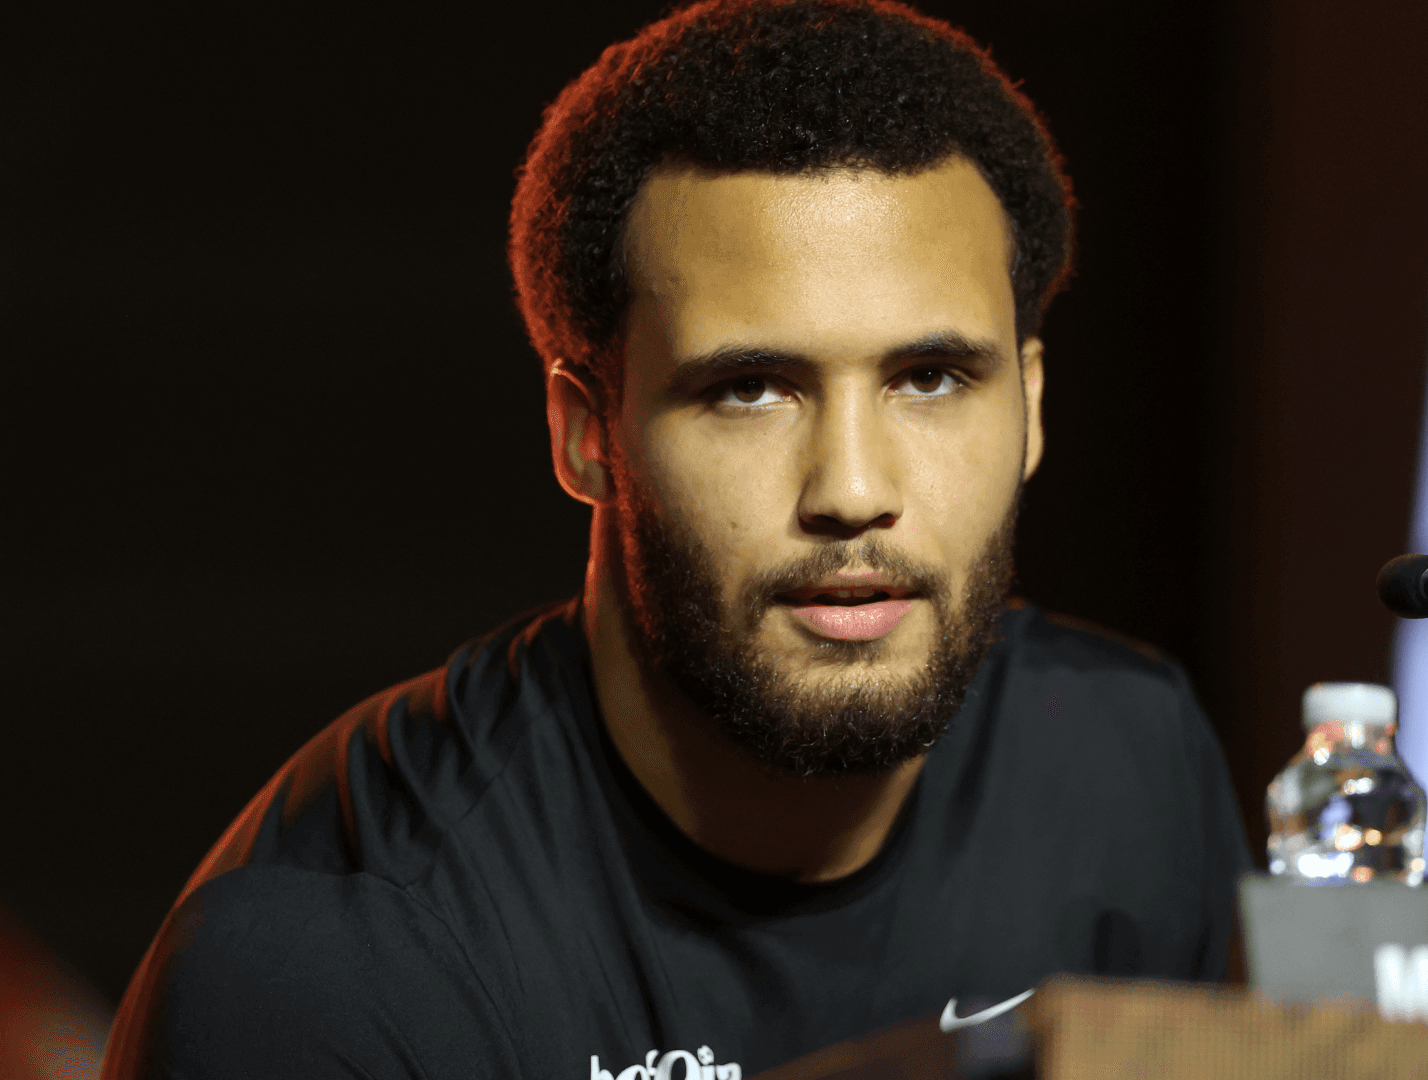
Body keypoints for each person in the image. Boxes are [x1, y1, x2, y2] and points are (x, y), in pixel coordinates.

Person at [103, 2, 1251, 1076]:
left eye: (932, 378)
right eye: (750, 389)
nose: (854, 490)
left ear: (1033, 408)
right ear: (586, 433)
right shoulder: (330, 960)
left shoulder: (1132, 764)